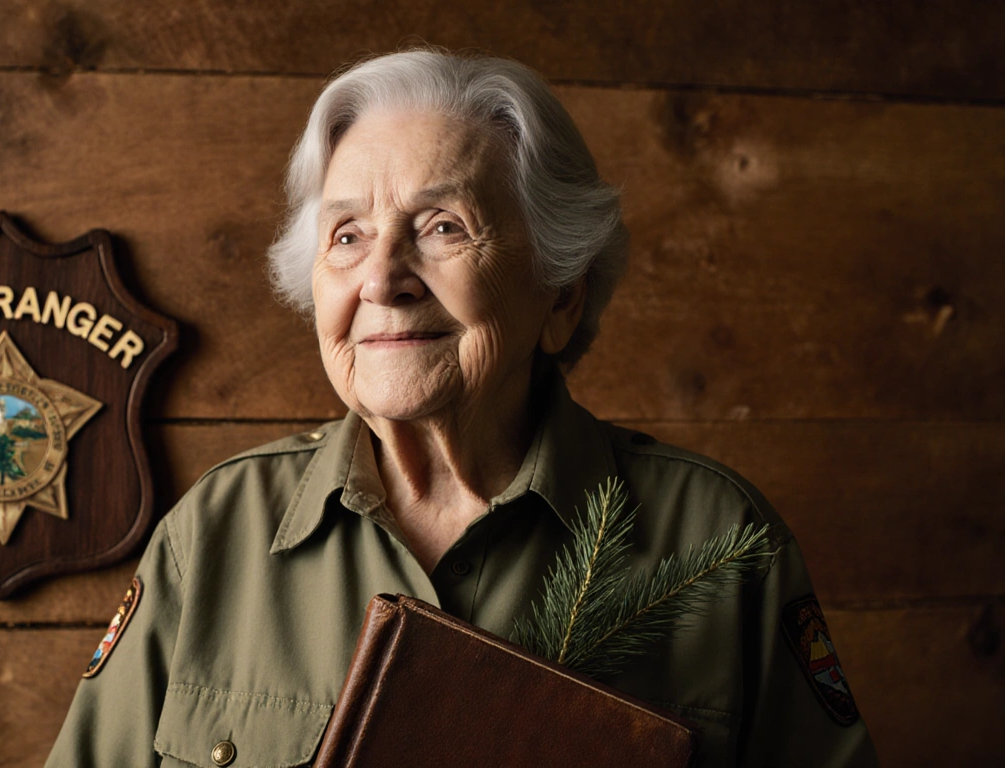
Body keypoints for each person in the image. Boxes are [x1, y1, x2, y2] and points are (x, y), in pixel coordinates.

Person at [46, 49, 879, 767]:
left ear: (559, 296)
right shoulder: (214, 535)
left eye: (443, 226)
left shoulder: (720, 543)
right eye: (346, 236)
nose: (381, 278)